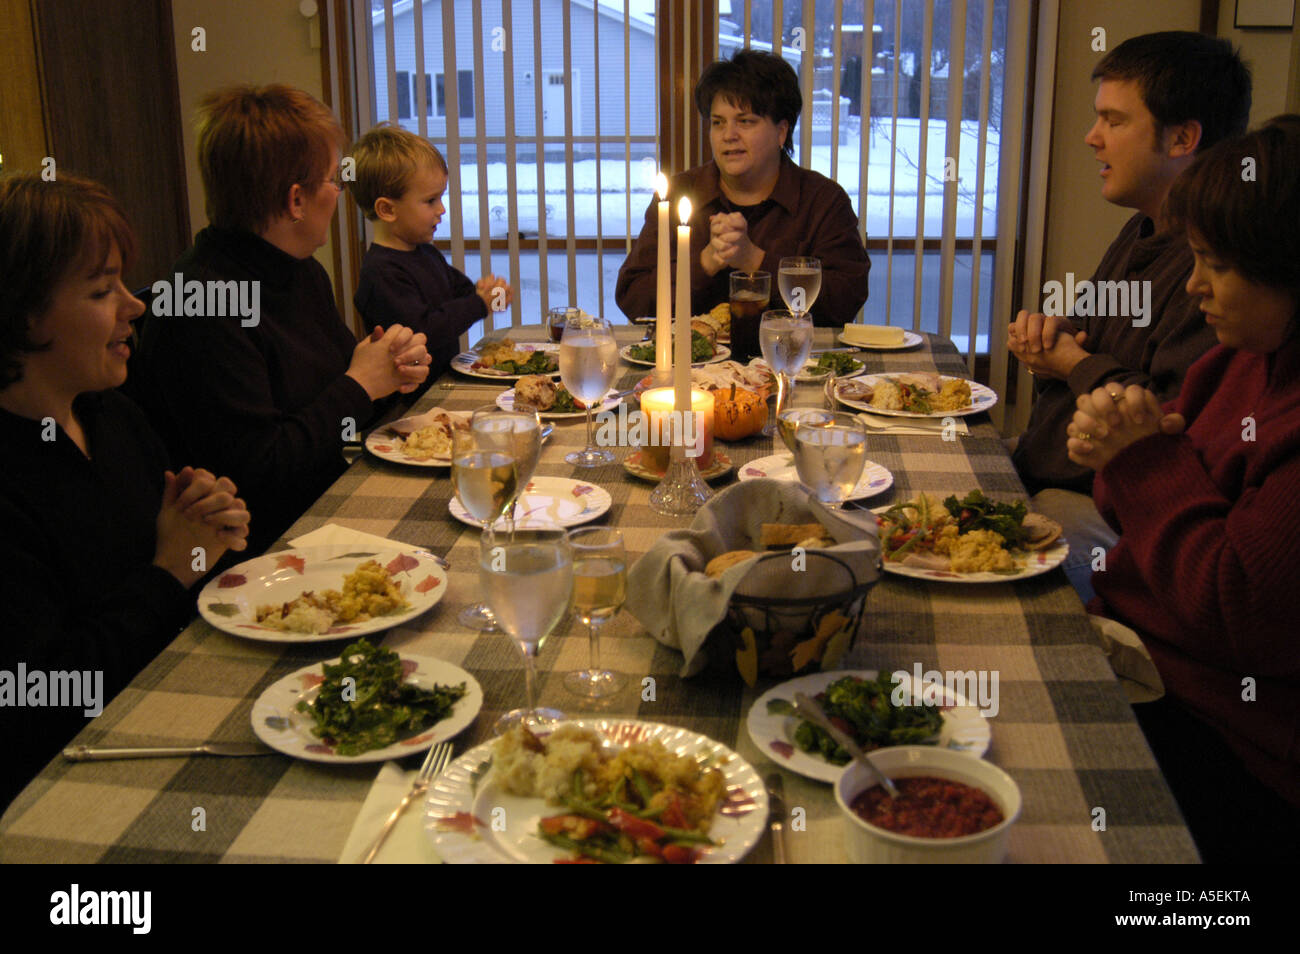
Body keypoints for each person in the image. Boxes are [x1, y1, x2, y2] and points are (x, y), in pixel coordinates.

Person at [1067, 116, 1300, 860]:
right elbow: (1134, 509)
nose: (1195, 283)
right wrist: (1120, 446)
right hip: (1138, 653)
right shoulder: (1241, 357)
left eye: (1215, 264)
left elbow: (1232, 603)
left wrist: (1136, 461)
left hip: (1228, 742)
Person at [0, 174, 252, 811]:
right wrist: (172, 567)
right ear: (20, 315)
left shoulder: (112, 416)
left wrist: (209, 536)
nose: (135, 306)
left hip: (175, 704)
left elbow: (176, 569)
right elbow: (42, 696)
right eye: (100, 289)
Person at [1006, 32, 1250, 603]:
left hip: (1099, 501)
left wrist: (1074, 363)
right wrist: (1053, 339)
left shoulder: (1215, 273)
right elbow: (1088, 341)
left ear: (1183, 137)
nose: (1093, 138)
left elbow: (1167, 423)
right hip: (1047, 461)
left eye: (1113, 121)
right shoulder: (1140, 228)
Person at [135, 86, 430, 555]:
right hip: (264, 549)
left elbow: (335, 406)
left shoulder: (300, 270)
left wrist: (389, 372)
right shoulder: (201, 303)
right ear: (296, 200)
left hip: (329, 506)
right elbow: (259, 474)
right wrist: (360, 384)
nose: (340, 193)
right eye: (335, 180)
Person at [615, 50, 870, 326]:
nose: (728, 135)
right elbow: (633, 297)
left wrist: (755, 261)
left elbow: (845, 300)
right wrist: (704, 263)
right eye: (718, 123)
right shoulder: (677, 194)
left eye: (745, 121)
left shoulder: (822, 200)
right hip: (691, 364)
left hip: (790, 362)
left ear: (781, 132)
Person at [348, 124, 512, 382]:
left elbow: (458, 292)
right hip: (406, 400)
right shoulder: (381, 273)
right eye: (430, 200)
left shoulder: (425, 252)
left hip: (441, 382)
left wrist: (486, 292)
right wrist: (479, 303)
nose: (442, 209)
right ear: (387, 210)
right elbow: (425, 331)